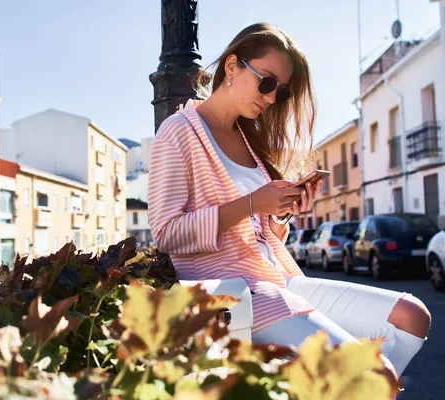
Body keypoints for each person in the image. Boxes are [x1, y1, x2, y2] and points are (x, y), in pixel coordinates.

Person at [147, 23, 430, 380]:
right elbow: (167, 234)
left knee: (412, 315)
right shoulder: (179, 132)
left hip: (278, 279)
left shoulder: (248, 140)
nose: (270, 98)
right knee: (375, 375)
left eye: (279, 91)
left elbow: (261, 238)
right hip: (237, 292)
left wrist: (282, 213)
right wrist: (252, 203)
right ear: (232, 66)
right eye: (267, 82)